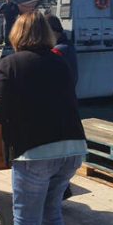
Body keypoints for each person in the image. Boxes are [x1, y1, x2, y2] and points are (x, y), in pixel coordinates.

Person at [0, 11, 87, 225]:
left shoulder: (10, 64)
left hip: (35, 154)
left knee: (25, 224)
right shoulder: (61, 62)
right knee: (52, 212)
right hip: (71, 150)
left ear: (17, 34)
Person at [45, 14, 79, 201]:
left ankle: (60, 191)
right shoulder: (69, 48)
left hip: (56, 108)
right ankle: (63, 189)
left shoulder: (57, 52)